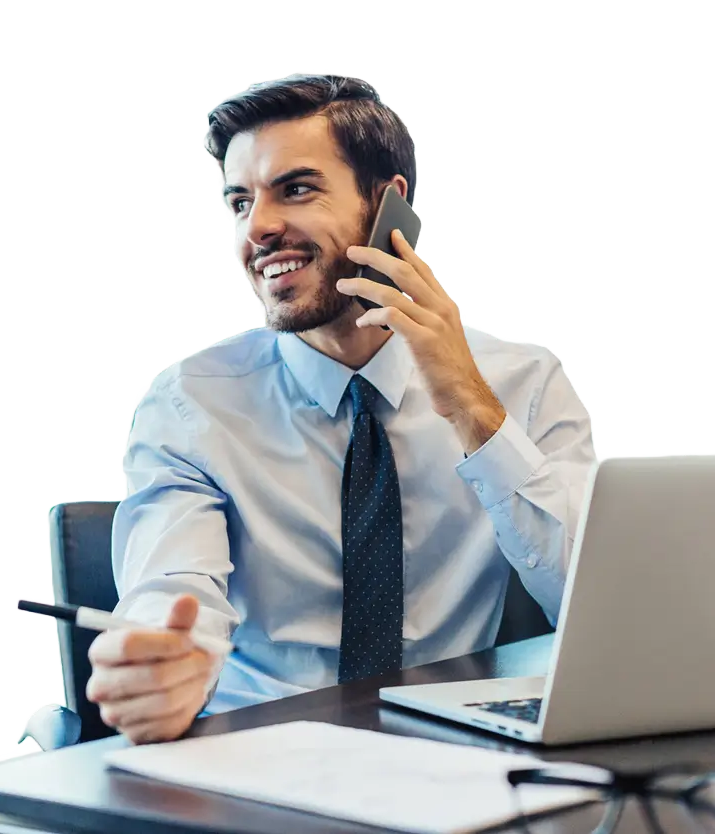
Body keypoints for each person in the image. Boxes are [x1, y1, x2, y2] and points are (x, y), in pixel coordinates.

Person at [84, 72, 597, 745]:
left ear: (388, 204)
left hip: (451, 748)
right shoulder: (191, 403)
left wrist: (472, 408)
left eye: (296, 189)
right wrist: (166, 661)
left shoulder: (525, 383)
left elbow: (598, 612)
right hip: (258, 746)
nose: (258, 228)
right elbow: (174, 587)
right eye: (240, 201)